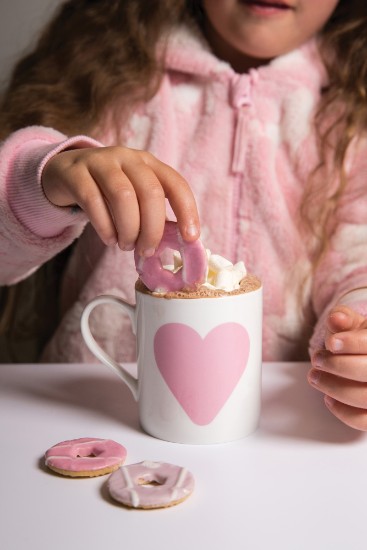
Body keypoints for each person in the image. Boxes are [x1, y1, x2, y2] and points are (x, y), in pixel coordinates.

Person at [0, 0, 366, 430]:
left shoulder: (351, 120)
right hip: (87, 414)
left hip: (274, 431)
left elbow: (358, 265)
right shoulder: (110, 79)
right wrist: (47, 180)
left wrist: (354, 336)